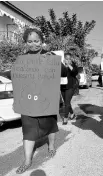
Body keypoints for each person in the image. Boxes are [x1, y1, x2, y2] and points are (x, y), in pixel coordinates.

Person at [15, 28, 68, 174]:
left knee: (50, 124)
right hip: (28, 101)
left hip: (47, 100)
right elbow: (16, 77)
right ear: (26, 43)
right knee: (28, 129)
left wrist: (55, 60)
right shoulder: (22, 59)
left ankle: (51, 145)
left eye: (36, 41)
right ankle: (27, 160)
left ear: (42, 41)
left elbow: (64, 73)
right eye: (30, 41)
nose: (34, 44)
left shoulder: (49, 56)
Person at [61, 52, 79, 125]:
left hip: (70, 86)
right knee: (66, 102)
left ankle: (65, 118)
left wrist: (69, 65)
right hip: (62, 86)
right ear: (64, 58)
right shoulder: (61, 65)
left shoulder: (73, 65)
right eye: (66, 59)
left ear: (71, 59)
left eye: (69, 59)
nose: (67, 60)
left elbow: (75, 72)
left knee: (67, 103)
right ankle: (72, 113)